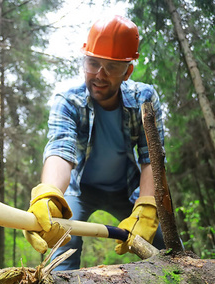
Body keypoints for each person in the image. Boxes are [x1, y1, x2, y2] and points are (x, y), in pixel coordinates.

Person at [23, 15, 166, 270]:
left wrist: (147, 205)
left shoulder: (145, 98)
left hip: (127, 190)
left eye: (111, 66)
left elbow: (151, 158)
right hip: (80, 191)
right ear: (84, 60)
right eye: (93, 63)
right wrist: (50, 195)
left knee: (163, 245)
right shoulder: (67, 100)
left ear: (127, 71)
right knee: (61, 242)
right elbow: (60, 149)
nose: (99, 75)